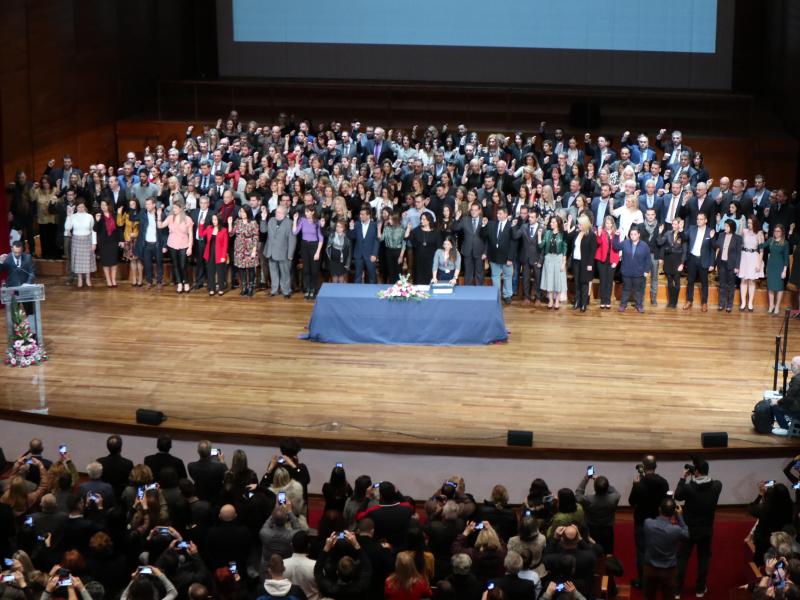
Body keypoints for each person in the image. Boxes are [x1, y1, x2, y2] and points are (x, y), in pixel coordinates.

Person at [674, 459, 722, 598]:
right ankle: (700, 589)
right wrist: (697, 476)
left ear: (696, 472)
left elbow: (678, 495)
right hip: (706, 529)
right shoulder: (717, 486)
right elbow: (713, 481)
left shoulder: (689, 488)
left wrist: (683, 477)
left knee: (682, 558)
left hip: (689, 529)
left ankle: (677, 590)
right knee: (703, 559)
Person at [628, 456, 669, 588]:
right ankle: (659, 580)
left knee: (641, 552)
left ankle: (642, 581)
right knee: (658, 550)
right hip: (659, 520)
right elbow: (666, 503)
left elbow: (631, 502)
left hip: (641, 521)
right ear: (655, 467)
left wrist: (635, 486)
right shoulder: (663, 482)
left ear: (644, 467)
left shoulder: (639, 483)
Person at [642, 499, 688, 600]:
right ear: (673, 513)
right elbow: (686, 533)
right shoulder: (675, 530)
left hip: (650, 569)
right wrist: (680, 516)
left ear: (659, 509)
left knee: (648, 596)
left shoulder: (647, 524)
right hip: (668, 571)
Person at [748, 482, 794, 566]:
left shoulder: (765, 509)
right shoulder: (790, 507)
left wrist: (761, 494)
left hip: (763, 538)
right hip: (780, 539)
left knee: (759, 559)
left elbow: (751, 509)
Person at [575, 471, 620, 554]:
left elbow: (577, 495)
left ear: (595, 488)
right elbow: (615, 492)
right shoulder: (615, 498)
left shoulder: (588, 499)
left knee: (591, 550)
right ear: (607, 488)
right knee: (608, 552)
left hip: (591, 529)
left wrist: (586, 479)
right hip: (607, 530)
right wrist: (602, 482)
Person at [479, 206, 516, 304]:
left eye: (500, 213)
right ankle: (497, 295)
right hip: (493, 256)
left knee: (508, 276)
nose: (497, 215)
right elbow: (483, 235)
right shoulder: (491, 224)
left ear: (505, 214)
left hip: (506, 257)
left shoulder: (511, 226)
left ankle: (507, 295)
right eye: (497, 213)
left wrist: (510, 258)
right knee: (495, 276)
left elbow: (513, 244)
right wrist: (483, 225)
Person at [157, 200, 194, 293]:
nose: (174, 209)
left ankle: (185, 282)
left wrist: (190, 247)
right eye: (173, 208)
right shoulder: (170, 218)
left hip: (184, 244)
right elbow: (160, 226)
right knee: (176, 265)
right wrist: (158, 215)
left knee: (183, 265)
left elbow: (190, 234)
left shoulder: (187, 219)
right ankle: (179, 283)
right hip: (172, 244)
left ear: (181, 209)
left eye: (175, 208)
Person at [612, 227, 651, 313]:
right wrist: (616, 236)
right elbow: (615, 246)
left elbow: (648, 259)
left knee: (638, 290)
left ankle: (639, 305)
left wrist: (646, 270)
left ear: (639, 235)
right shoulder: (625, 243)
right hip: (626, 272)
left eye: (635, 234)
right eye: (631, 234)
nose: (633, 236)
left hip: (639, 273)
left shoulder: (644, 245)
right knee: (626, 289)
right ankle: (623, 305)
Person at [682, 213, 716, 312]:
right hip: (692, 259)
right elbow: (684, 237)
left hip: (704, 260)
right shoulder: (692, 228)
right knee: (690, 281)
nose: (698, 221)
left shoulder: (710, 232)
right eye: (697, 219)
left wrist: (712, 263)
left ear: (706, 221)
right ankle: (689, 301)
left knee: (704, 283)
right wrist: (680, 229)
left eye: (701, 219)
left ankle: (704, 303)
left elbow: (713, 249)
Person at [134, 197, 168, 290]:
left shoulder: (161, 215)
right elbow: (132, 218)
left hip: (158, 244)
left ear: (154, 205)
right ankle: (149, 281)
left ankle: (159, 282)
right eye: (146, 204)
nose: (147, 206)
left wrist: (165, 245)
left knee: (159, 263)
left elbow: (165, 232)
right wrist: (133, 208)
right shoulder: (143, 214)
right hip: (146, 243)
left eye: (149, 204)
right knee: (147, 264)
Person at [292, 206, 324, 299]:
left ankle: (314, 289)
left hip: (314, 246)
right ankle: (307, 289)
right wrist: (295, 220)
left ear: (313, 212)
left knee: (314, 270)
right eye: (305, 212)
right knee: (306, 270)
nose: (306, 213)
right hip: (304, 245)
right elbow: (295, 232)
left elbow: (321, 238)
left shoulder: (317, 222)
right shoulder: (302, 220)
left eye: (308, 212)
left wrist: (318, 252)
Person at [566, 215, 597, 312]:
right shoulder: (576, 232)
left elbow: (593, 251)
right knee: (576, 282)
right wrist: (569, 224)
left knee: (584, 283)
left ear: (585, 224)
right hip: (576, 261)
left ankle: (583, 304)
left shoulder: (591, 235)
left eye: (580, 224)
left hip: (586, 263)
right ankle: (577, 302)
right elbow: (568, 237)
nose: (578, 225)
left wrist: (590, 264)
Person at [452, 202, 487, 286]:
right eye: (472, 210)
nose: (473, 212)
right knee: (468, 273)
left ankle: (479, 292)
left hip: (480, 251)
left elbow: (487, 239)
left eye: (475, 210)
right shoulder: (465, 219)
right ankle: (468, 292)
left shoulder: (484, 220)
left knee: (479, 273)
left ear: (479, 211)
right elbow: (455, 229)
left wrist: (485, 252)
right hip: (467, 250)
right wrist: (456, 219)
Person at [64, 201, 97, 288]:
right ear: (76, 208)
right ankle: (80, 279)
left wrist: (94, 243)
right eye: (79, 207)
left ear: (85, 207)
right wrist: (69, 216)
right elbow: (67, 228)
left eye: (82, 207)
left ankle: (88, 279)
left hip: (87, 240)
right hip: (76, 240)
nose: (81, 209)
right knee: (78, 262)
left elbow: (93, 231)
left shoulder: (89, 216)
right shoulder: (73, 216)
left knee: (87, 261)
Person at [539, 215, 568, 309]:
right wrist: (539, 236)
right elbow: (541, 246)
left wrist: (564, 262)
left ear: (558, 223)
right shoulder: (547, 233)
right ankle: (551, 300)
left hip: (559, 258)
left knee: (559, 280)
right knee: (550, 279)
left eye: (553, 222)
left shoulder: (563, 234)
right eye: (551, 222)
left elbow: (565, 248)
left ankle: (557, 300)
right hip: (548, 258)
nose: (551, 223)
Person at [760, 223, 790, 314]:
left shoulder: (785, 243)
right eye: (775, 231)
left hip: (780, 267)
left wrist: (784, 271)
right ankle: (771, 305)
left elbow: (786, 258)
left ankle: (777, 306)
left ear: (782, 232)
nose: (776, 233)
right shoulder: (770, 240)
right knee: (771, 287)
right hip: (771, 266)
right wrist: (759, 236)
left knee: (779, 288)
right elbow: (761, 246)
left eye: (778, 231)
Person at [714, 219, 743, 312]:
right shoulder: (721, 235)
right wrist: (712, 238)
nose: (724, 227)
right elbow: (716, 246)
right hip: (721, 263)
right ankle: (721, 304)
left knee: (731, 285)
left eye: (726, 226)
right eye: (724, 225)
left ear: (731, 227)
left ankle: (729, 305)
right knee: (722, 284)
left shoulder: (737, 238)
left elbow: (739, 253)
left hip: (732, 264)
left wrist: (737, 267)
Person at [230, 206, 260, 297]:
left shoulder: (253, 223)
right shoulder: (237, 222)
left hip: (249, 246)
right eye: (241, 212)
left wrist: (254, 250)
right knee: (241, 268)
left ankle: (251, 287)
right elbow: (231, 234)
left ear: (248, 212)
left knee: (250, 268)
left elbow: (255, 236)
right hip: (239, 247)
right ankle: (244, 287)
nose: (242, 214)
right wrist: (229, 223)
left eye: (243, 212)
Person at [738, 216, 765, 312]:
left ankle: (750, 303)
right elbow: (738, 239)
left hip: (754, 256)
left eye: (751, 223)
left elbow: (761, 250)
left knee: (751, 281)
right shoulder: (744, 231)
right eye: (748, 222)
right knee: (743, 280)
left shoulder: (759, 233)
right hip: (744, 256)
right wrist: (741, 225)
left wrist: (759, 263)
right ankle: (743, 302)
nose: (749, 225)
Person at [657, 218, 686, 309]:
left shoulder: (683, 235)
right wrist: (660, 232)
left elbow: (685, 251)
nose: (673, 226)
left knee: (677, 282)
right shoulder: (668, 233)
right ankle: (670, 301)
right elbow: (660, 242)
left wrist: (682, 263)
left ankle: (675, 301)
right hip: (669, 259)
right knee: (669, 282)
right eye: (672, 224)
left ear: (679, 225)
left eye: (675, 224)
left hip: (677, 260)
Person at [405, 212, 441, 286]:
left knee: (430, 279)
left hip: (431, 259)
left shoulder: (436, 232)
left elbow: (439, 247)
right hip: (419, 259)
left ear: (429, 220)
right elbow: (406, 238)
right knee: (419, 280)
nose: (421, 221)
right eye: (421, 219)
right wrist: (408, 229)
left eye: (424, 219)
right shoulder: (416, 230)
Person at [348, 206, 380, 284]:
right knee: (357, 276)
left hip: (370, 255)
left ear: (368, 216)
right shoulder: (356, 224)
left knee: (372, 276)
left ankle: (372, 294)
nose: (360, 216)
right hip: (358, 255)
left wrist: (374, 254)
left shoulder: (375, 225)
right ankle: (356, 294)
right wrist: (351, 228)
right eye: (360, 214)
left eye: (362, 214)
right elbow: (352, 237)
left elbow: (377, 241)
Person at [199, 213, 230, 296]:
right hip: (210, 253)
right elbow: (201, 234)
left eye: (215, 219)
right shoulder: (209, 228)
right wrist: (201, 225)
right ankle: (212, 288)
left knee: (220, 272)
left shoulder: (224, 230)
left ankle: (221, 288)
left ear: (219, 220)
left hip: (219, 254)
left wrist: (223, 256)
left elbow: (225, 245)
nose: (214, 221)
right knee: (210, 271)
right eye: (213, 219)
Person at [769, 356, 800, 436]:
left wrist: (777, 402)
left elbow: (789, 399)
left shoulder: (796, 379)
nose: (791, 367)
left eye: (793, 365)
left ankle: (784, 428)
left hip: (798, 411)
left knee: (775, 406)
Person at [96, 435, 133, 500]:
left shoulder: (100, 462)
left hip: (103, 496)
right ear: (121, 448)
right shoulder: (128, 463)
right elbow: (130, 482)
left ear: (107, 447)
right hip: (121, 496)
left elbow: (97, 480)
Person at [594, 215, 619, 309]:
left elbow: (616, 248)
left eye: (610, 223)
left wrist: (615, 261)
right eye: (607, 223)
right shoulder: (600, 232)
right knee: (603, 280)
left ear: (613, 224)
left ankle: (607, 300)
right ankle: (603, 300)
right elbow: (598, 243)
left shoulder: (616, 233)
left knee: (609, 281)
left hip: (612, 259)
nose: (608, 225)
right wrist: (599, 234)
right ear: (605, 223)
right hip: (602, 259)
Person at [116, 199, 142, 286]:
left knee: (139, 260)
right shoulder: (127, 214)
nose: (132, 206)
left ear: (136, 204)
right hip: (128, 239)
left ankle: (140, 280)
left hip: (138, 240)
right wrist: (119, 213)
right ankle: (134, 279)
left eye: (133, 204)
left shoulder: (140, 213)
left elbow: (143, 227)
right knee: (132, 261)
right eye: (130, 204)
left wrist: (136, 234)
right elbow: (120, 224)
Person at [378, 211, 405, 283]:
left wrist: (401, 256)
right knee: (391, 271)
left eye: (390, 219)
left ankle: (399, 288)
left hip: (398, 251)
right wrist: (379, 229)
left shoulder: (401, 229)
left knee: (398, 271)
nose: (389, 220)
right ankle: (392, 288)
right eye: (389, 219)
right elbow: (381, 239)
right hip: (388, 251)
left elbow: (403, 244)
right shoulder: (386, 228)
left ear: (395, 219)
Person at [325, 219, 352, 283]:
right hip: (333, 261)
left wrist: (347, 264)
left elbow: (349, 253)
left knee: (341, 279)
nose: (338, 228)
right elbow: (324, 233)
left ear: (344, 228)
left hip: (342, 262)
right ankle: (335, 292)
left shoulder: (347, 238)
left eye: (340, 227)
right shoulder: (331, 235)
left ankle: (341, 292)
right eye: (337, 226)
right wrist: (322, 226)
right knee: (334, 278)